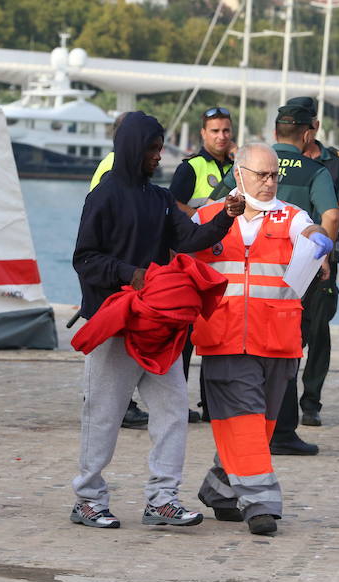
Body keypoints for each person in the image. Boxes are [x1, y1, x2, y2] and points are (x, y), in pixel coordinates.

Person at [70, 111, 244, 529]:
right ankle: (87, 500)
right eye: (151, 148)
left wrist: (226, 216)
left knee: (172, 412)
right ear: (133, 148)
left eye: (159, 147)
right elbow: (84, 259)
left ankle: (161, 499)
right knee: (103, 415)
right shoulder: (104, 197)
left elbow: (190, 239)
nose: (157, 155)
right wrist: (129, 274)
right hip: (114, 325)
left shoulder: (160, 199)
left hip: (159, 328)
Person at [192, 142, 334, 535]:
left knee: (260, 424)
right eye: (262, 175)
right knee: (247, 421)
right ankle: (261, 504)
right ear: (239, 174)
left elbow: (308, 228)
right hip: (225, 339)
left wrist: (319, 238)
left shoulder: (290, 215)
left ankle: (220, 491)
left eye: (274, 175)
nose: (270, 183)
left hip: (278, 339)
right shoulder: (209, 216)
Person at [285, 96, 339, 428]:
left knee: (318, 329)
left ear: (315, 126)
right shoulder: (281, 161)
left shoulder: (334, 162)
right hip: (286, 257)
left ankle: (310, 401)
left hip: (324, 258)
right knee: (288, 331)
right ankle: (281, 393)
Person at [170, 107, 236, 423]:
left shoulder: (240, 167)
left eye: (225, 130)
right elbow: (172, 207)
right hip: (195, 261)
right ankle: (176, 403)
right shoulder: (190, 169)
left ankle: (213, 404)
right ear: (203, 134)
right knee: (184, 340)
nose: (221, 136)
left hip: (227, 262)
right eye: (215, 131)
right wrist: (211, 213)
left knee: (219, 338)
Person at [87, 113, 149, 430]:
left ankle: (120, 403)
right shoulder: (114, 170)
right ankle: (119, 405)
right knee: (111, 349)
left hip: (117, 271)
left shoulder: (115, 164)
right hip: (115, 275)